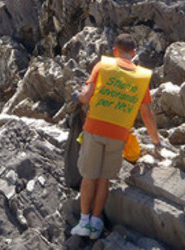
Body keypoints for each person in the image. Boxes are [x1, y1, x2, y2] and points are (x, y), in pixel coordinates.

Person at [69, 33, 162, 240]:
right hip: (119, 135)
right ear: (134, 53)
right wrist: (156, 141)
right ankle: (95, 223)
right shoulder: (141, 77)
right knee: (104, 179)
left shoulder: (103, 66)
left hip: (94, 130)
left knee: (89, 177)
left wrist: (76, 96)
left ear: (115, 51)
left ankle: (83, 222)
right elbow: (147, 114)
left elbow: (85, 97)